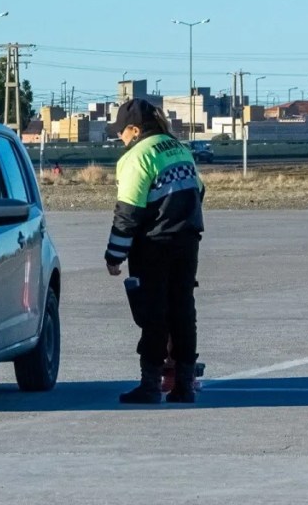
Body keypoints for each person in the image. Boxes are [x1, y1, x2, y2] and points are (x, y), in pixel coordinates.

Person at [104, 99, 205, 404]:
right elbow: (199, 191)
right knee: (183, 311)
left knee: (154, 314)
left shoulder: (138, 156)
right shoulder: (179, 148)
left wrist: (114, 255)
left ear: (134, 130)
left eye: (121, 132)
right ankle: (184, 385)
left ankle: (150, 385)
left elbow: (128, 212)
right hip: (187, 241)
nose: (119, 138)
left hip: (154, 246)